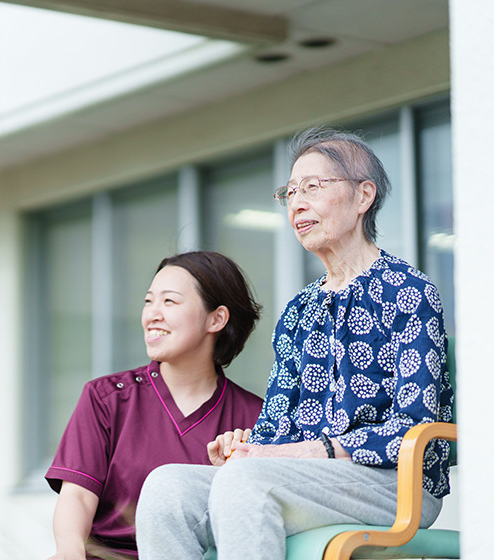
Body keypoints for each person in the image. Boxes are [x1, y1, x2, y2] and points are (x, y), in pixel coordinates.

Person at [135, 127, 455, 560]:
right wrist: (247, 448)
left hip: (392, 481)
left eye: (313, 187)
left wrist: (312, 451)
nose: (297, 203)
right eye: (290, 192)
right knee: (166, 488)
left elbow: (413, 427)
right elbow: (274, 426)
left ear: (363, 196)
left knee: (248, 482)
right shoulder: (299, 310)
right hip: (305, 478)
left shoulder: (408, 291)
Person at [45, 251, 265, 560]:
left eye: (169, 301)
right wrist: (69, 551)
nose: (152, 314)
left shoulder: (256, 418)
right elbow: (78, 496)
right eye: (149, 301)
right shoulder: (106, 398)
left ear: (216, 319)